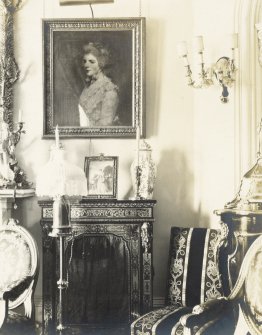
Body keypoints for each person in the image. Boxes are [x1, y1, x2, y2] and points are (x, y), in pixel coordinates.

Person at [78, 42, 119, 127]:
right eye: (84, 61)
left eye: (91, 62)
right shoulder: (88, 86)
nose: (86, 65)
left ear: (101, 63)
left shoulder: (109, 89)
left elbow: (106, 125)